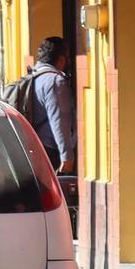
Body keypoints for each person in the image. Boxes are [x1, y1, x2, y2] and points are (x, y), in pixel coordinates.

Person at [26, 36, 76, 175]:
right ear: (61, 59)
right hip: (50, 150)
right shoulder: (55, 80)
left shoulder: (33, 77)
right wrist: (66, 156)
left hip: (33, 147)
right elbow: (59, 119)